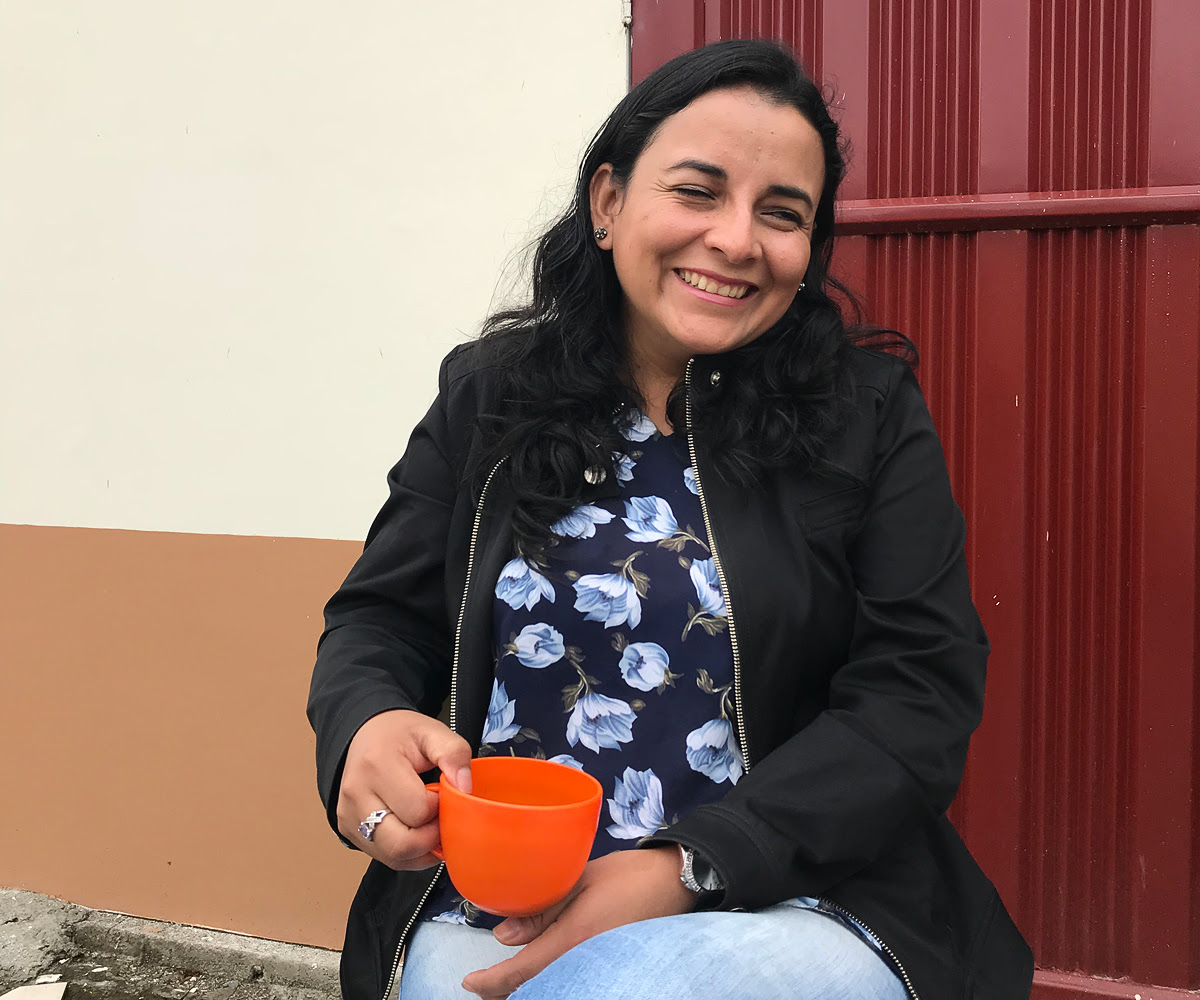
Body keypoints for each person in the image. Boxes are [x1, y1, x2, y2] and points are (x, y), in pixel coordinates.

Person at [308, 38, 1034, 1000]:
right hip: (496, 891)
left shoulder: (865, 416)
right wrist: (363, 726)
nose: (737, 240)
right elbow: (379, 619)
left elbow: (920, 691)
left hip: (795, 888)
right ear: (608, 204)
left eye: (782, 214)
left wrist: (686, 865)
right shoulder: (488, 397)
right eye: (698, 191)